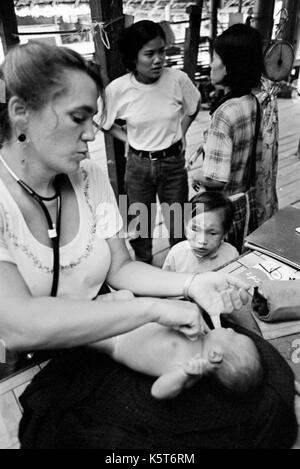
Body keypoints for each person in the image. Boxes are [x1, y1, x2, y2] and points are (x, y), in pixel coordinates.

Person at [0, 42, 296, 450]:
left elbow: (120, 268)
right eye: (78, 117)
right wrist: (152, 308)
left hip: (107, 333)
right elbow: (19, 327)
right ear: (21, 114)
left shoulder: (88, 177)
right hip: (24, 368)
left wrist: (191, 284)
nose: (92, 132)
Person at [101, 20, 202, 264]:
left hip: (173, 163)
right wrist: (128, 138)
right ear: (133, 58)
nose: (158, 59)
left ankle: (179, 266)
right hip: (138, 165)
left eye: (162, 51)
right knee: (139, 224)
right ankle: (143, 265)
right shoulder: (118, 89)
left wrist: (181, 131)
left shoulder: (177, 79)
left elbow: (193, 106)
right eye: (149, 54)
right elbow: (101, 121)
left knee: (178, 222)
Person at [191, 24, 264, 250]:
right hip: (244, 203)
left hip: (221, 210)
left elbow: (216, 179)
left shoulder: (224, 114)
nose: (211, 64)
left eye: (214, 57)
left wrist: (197, 176)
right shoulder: (252, 101)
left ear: (229, 66)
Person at [97, 312, 263, 400]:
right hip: (130, 318)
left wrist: (183, 373)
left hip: (115, 341)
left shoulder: (191, 371)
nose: (230, 329)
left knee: (79, 330)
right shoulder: (201, 334)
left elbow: (158, 392)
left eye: (231, 335)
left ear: (215, 355)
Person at [163, 191, 239, 273]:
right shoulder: (176, 254)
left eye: (212, 233)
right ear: (185, 225)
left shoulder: (231, 255)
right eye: (195, 229)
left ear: (225, 233)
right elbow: (165, 282)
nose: (202, 241)